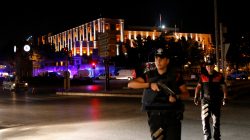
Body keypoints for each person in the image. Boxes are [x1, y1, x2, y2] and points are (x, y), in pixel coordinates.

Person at [128, 47, 190, 140]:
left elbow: (186, 94)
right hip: (155, 118)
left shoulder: (176, 76)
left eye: (161, 58)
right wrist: (149, 85)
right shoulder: (149, 75)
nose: (158, 61)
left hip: (172, 118)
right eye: (156, 58)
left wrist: (177, 96)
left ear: (167, 61)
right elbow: (131, 84)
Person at [194, 58, 228, 140]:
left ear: (214, 66)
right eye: (208, 66)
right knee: (205, 119)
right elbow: (198, 87)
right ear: (206, 67)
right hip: (205, 101)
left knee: (216, 120)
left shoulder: (219, 76)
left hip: (216, 101)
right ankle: (207, 136)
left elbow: (224, 87)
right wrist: (196, 97)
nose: (209, 67)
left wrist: (225, 97)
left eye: (211, 66)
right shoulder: (202, 76)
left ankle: (216, 137)